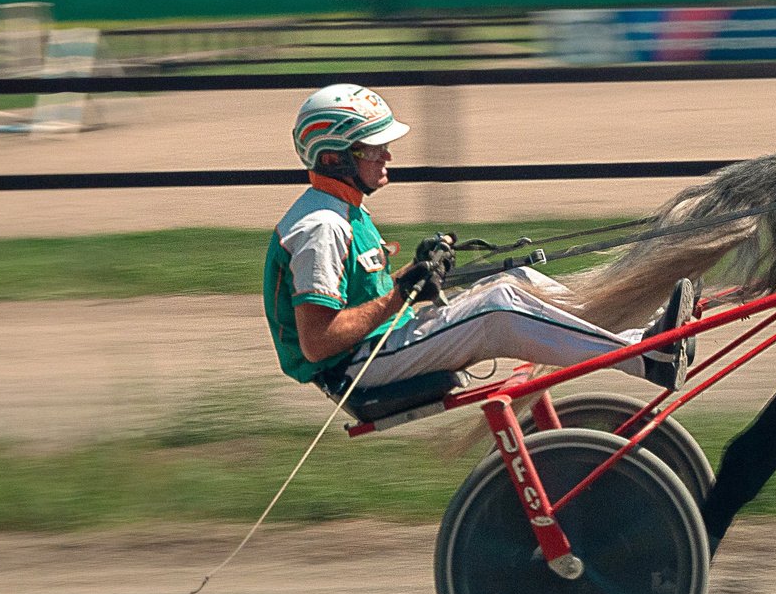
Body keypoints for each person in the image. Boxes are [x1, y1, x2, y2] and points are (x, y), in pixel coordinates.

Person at [264, 83, 692, 414]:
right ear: (333, 156)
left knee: (516, 279)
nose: (387, 154)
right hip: (357, 369)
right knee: (497, 310)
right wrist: (400, 293)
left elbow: (369, 296)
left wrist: (420, 270)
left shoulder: (345, 210)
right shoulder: (321, 227)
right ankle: (644, 359)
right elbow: (317, 343)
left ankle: (643, 336)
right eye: (372, 146)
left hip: (382, 345)